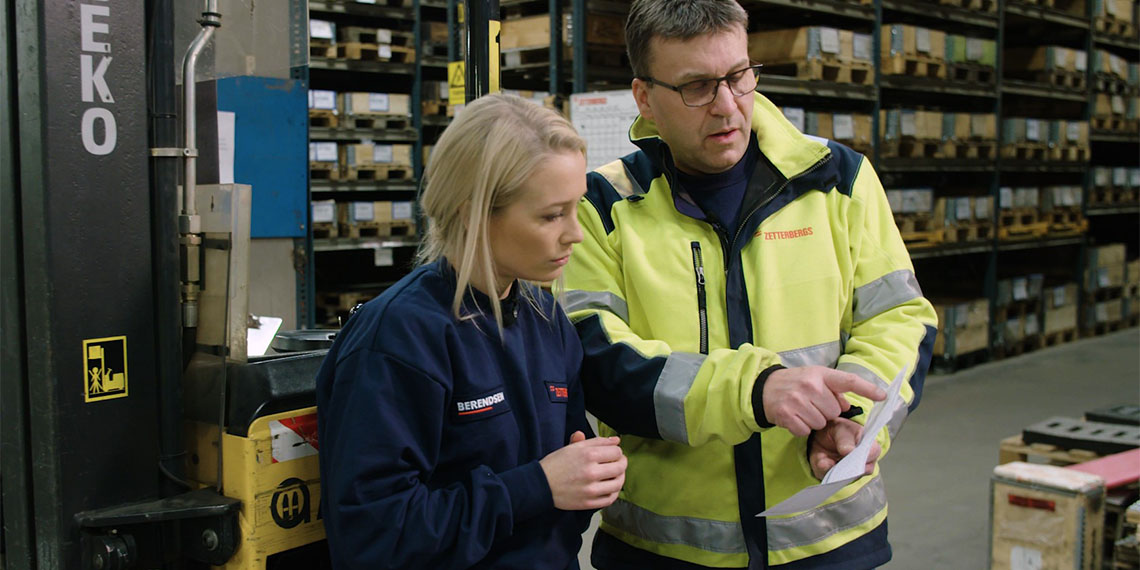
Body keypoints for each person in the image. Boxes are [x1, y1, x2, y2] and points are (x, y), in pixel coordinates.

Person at [560, 1, 939, 569]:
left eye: (738, 77)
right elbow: (597, 362)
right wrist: (755, 392)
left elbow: (899, 317)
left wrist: (852, 416)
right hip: (668, 550)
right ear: (644, 97)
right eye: (696, 87)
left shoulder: (838, 181)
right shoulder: (604, 209)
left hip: (829, 539)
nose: (726, 107)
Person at [316, 92, 627, 569]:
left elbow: (565, 476)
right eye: (551, 215)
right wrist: (536, 487)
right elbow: (373, 536)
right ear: (474, 213)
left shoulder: (547, 319)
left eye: (576, 208)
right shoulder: (400, 340)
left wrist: (587, 474)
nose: (576, 234)